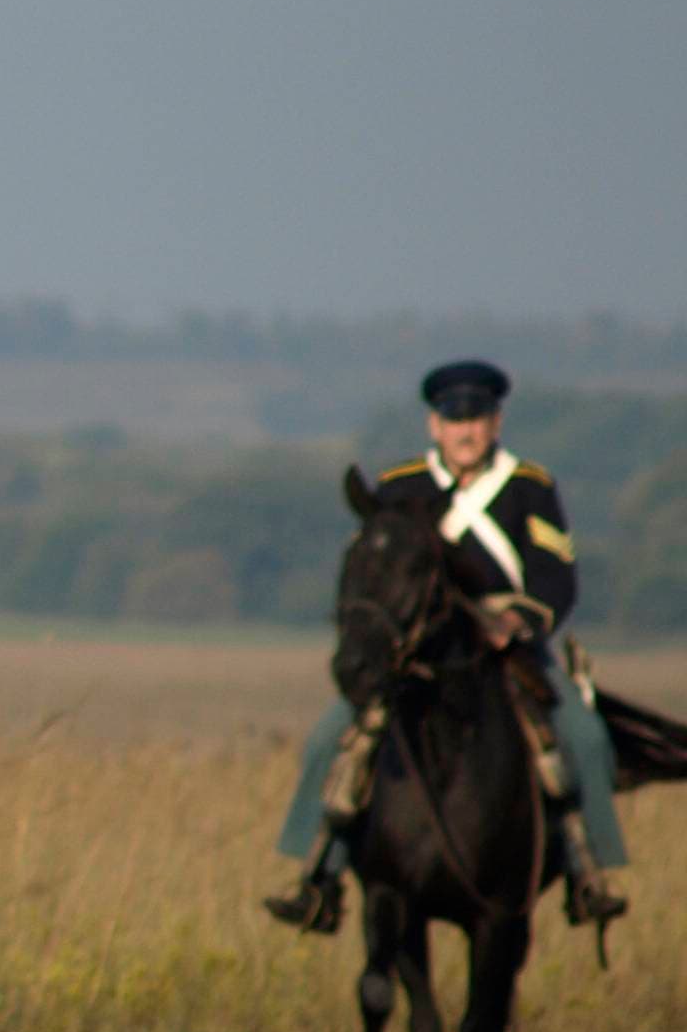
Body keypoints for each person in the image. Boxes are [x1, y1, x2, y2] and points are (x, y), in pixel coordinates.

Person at [266, 357, 626, 932]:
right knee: (330, 741)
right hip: (415, 658)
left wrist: (519, 621)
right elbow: (373, 577)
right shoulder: (402, 487)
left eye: (478, 418)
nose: (466, 430)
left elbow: (557, 577)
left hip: (507, 652)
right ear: (435, 426)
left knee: (583, 737)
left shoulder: (528, 488)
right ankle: (318, 878)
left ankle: (590, 873)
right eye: (453, 418)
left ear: (495, 424)